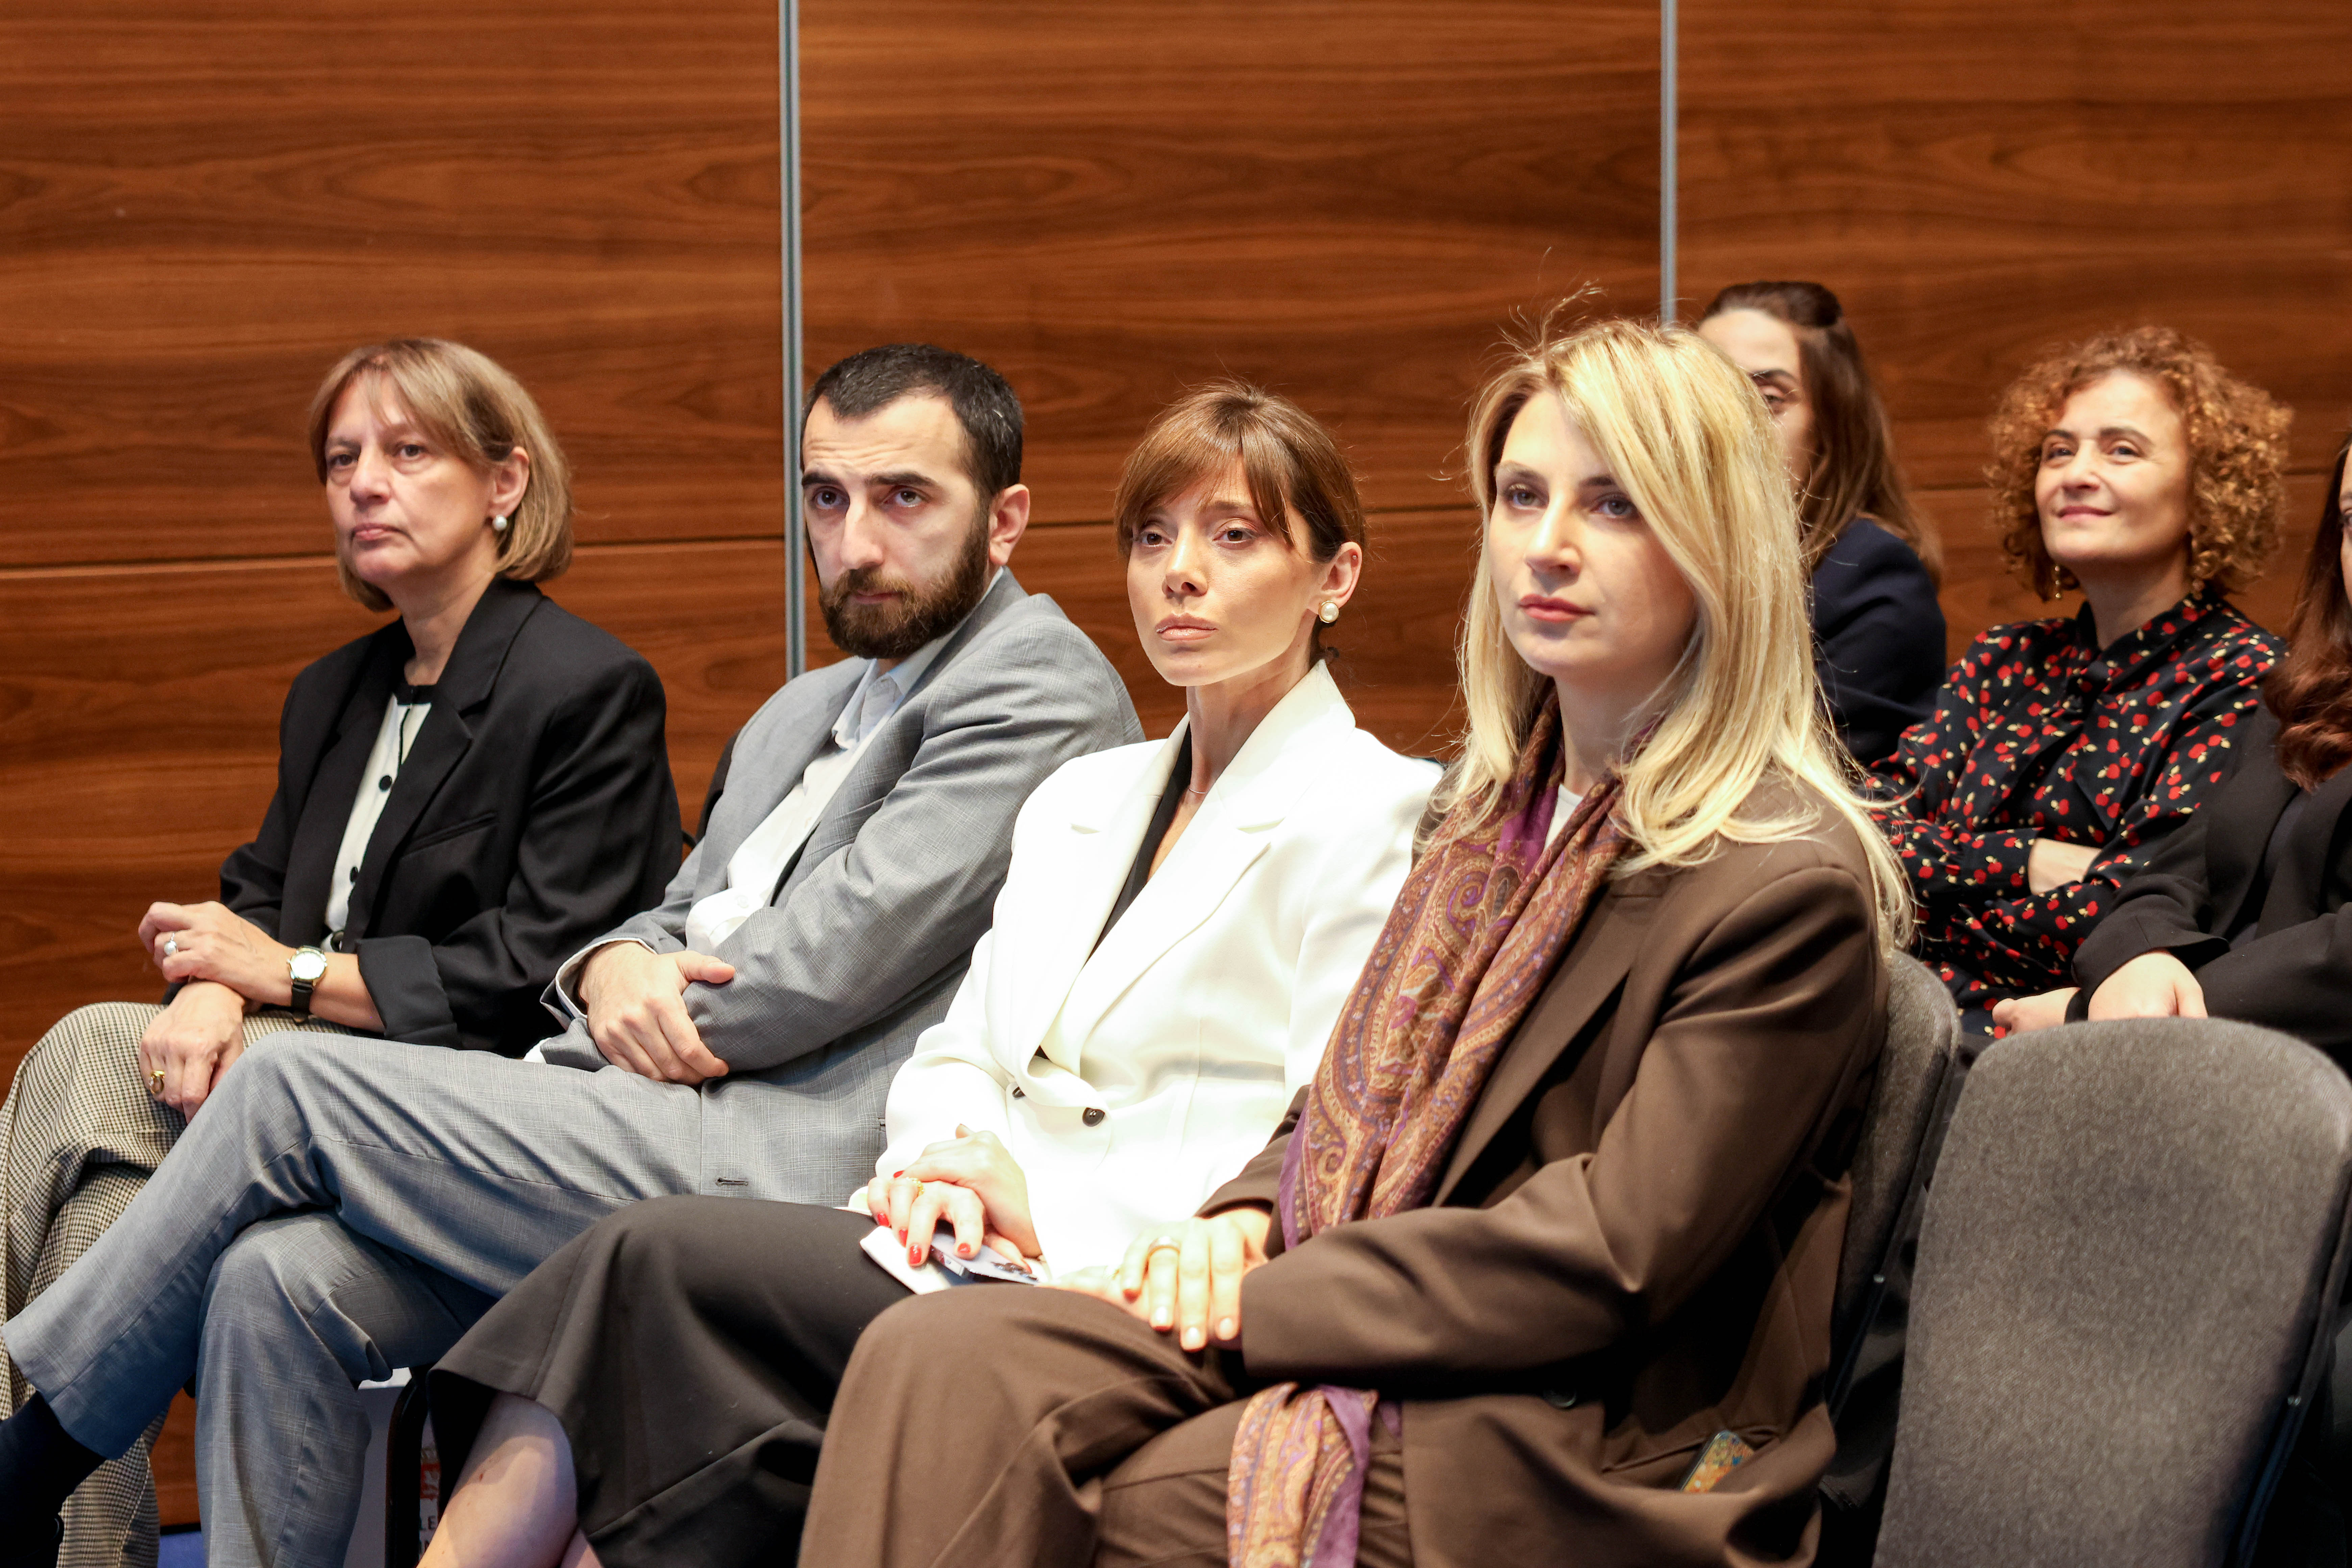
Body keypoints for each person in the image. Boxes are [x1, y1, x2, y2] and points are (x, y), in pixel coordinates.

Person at [0, 344, 1141, 1568]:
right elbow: (660, 916)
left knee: (285, 1085)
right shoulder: (800, 710)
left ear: (1005, 521)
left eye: (903, 497)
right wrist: (609, 976)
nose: (854, 542)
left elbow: (827, 963)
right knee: (274, 1279)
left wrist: (623, 1003)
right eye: (826, 497)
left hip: (778, 1153)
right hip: (624, 1111)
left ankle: (27, 1472)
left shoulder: (1037, 686)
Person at [793, 315, 1908, 1568]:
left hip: (1585, 1426)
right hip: (1373, 1304)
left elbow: (1611, 1257)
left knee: (1101, 1494)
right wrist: (1237, 1222)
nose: (1545, 545)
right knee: (934, 1353)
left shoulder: (1778, 881)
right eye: (1522, 496)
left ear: (1718, 542)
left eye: (1613, 505)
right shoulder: (1489, 825)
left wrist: (1261, 1293)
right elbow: (1340, 1107)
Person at [411, 382, 1442, 1568]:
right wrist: (950, 1167)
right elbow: (965, 1046)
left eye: (1235, 537)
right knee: (651, 1307)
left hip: (1142, 1262)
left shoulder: (1377, 809)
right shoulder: (1087, 795)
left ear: (1334, 578)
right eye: (1153, 538)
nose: (1181, 574)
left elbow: (1325, 1128)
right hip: (959, 1234)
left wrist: (1045, 1212)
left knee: (657, 1268)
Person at [0, 338, 682, 1568]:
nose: (365, 483)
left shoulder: (586, 687)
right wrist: (212, 988)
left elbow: (543, 965)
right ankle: (74, 1548)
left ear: (506, 483)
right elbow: (259, 897)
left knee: (88, 1048)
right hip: (293, 1073)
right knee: (105, 1203)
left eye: (408, 452)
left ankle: (15, 1472)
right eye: (341, 460)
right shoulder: (334, 692)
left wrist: (281, 978)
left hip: (478, 1107)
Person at [1868, 325, 2286, 1026]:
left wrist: (1929, 896)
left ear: (2207, 492)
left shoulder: (2246, 678)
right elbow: (1862, 831)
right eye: (2058, 451)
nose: (2075, 474)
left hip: (2056, 1040)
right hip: (1895, 1009)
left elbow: (2126, 915)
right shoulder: (2004, 657)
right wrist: (2026, 860)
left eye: (2122, 450)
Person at [1995, 430, 2352, 1050]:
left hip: (2298, 1071)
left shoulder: (2232, 669)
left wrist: (2101, 1012)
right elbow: (2175, 875)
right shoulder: (2305, 693)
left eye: (2123, 449)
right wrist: (2142, 954)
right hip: (2196, 1049)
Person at [1697, 280, 1944, 764]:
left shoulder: (1873, 578)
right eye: (1704, 396)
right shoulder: (1653, 558)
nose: (1727, 424)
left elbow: (1795, 783)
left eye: (1768, 399)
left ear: (1830, 426)